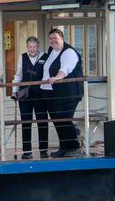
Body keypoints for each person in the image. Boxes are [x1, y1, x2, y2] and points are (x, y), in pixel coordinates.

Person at [42, 28, 84, 158]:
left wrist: (57, 77)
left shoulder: (68, 52)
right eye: (51, 38)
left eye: (56, 38)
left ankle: (75, 147)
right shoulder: (51, 51)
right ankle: (64, 148)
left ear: (62, 38)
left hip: (69, 94)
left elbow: (65, 69)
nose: (53, 41)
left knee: (64, 119)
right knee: (57, 120)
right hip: (53, 93)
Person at [12, 36, 49, 159]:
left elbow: (48, 75)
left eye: (34, 46)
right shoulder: (22, 57)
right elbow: (18, 76)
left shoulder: (45, 56)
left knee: (42, 121)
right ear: (27, 47)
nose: (32, 49)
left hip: (40, 94)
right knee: (26, 122)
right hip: (25, 94)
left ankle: (43, 150)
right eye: (30, 47)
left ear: (38, 46)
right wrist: (14, 92)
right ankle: (27, 151)